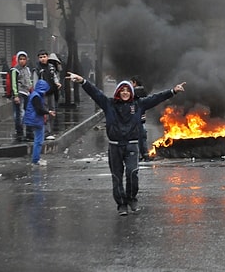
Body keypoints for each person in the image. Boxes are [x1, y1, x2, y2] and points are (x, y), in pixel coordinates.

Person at [66, 71, 186, 216]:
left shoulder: (138, 104)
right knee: (117, 177)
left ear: (131, 92)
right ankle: (121, 204)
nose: (124, 93)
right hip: (115, 145)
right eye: (122, 90)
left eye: (127, 90)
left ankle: (131, 198)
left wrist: (173, 91)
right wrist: (82, 81)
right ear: (118, 92)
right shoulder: (109, 104)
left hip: (132, 144)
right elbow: (95, 93)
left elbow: (156, 98)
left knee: (132, 173)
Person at [23, 79, 56, 166]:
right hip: (36, 120)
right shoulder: (37, 97)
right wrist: (48, 112)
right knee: (38, 141)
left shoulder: (35, 94)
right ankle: (35, 160)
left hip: (34, 119)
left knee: (38, 140)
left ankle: (36, 158)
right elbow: (39, 110)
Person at [34, 50, 61, 140]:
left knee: (52, 111)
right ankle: (46, 132)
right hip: (43, 93)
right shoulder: (37, 68)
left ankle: (50, 130)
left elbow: (55, 77)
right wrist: (37, 91)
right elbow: (35, 81)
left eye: (44, 57)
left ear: (47, 57)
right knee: (45, 112)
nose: (43, 59)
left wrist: (57, 83)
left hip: (51, 92)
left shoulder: (51, 67)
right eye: (41, 57)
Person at [10, 51, 33, 142]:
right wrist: (15, 95)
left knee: (27, 112)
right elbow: (14, 83)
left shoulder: (27, 69)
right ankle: (19, 132)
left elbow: (29, 80)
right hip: (19, 93)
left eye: (24, 59)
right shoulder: (15, 70)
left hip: (27, 93)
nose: (22, 61)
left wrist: (31, 89)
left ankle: (28, 132)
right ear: (17, 60)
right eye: (20, 59)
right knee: (19, 114)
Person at [131, 75, 150, 161]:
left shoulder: (134, 92)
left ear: (135, 83)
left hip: (137, 119)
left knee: (138, 138)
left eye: (131, 82)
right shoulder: (144, 91)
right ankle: (145, 154)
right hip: (142, 118)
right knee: (143, 137)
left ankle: (139, 155)